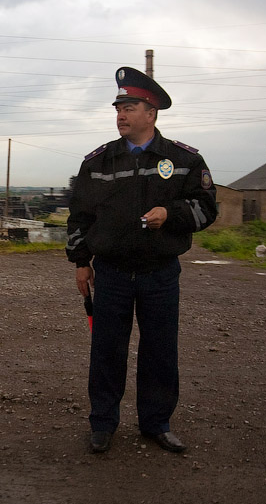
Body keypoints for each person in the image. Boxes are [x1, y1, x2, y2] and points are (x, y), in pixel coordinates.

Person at [66, 66, 217, 454]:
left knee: (160, 352)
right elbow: (79, 217)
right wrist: (81, 262)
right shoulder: (97, 163)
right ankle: (102, 424)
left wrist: (172, 214)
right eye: (118, 107)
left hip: (160, 274)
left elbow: (206, 208)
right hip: (112, 275)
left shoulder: (183, 160)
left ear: (151, 113)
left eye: (129, 107)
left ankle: (156, 424)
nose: (120, 114)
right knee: (106, 352)